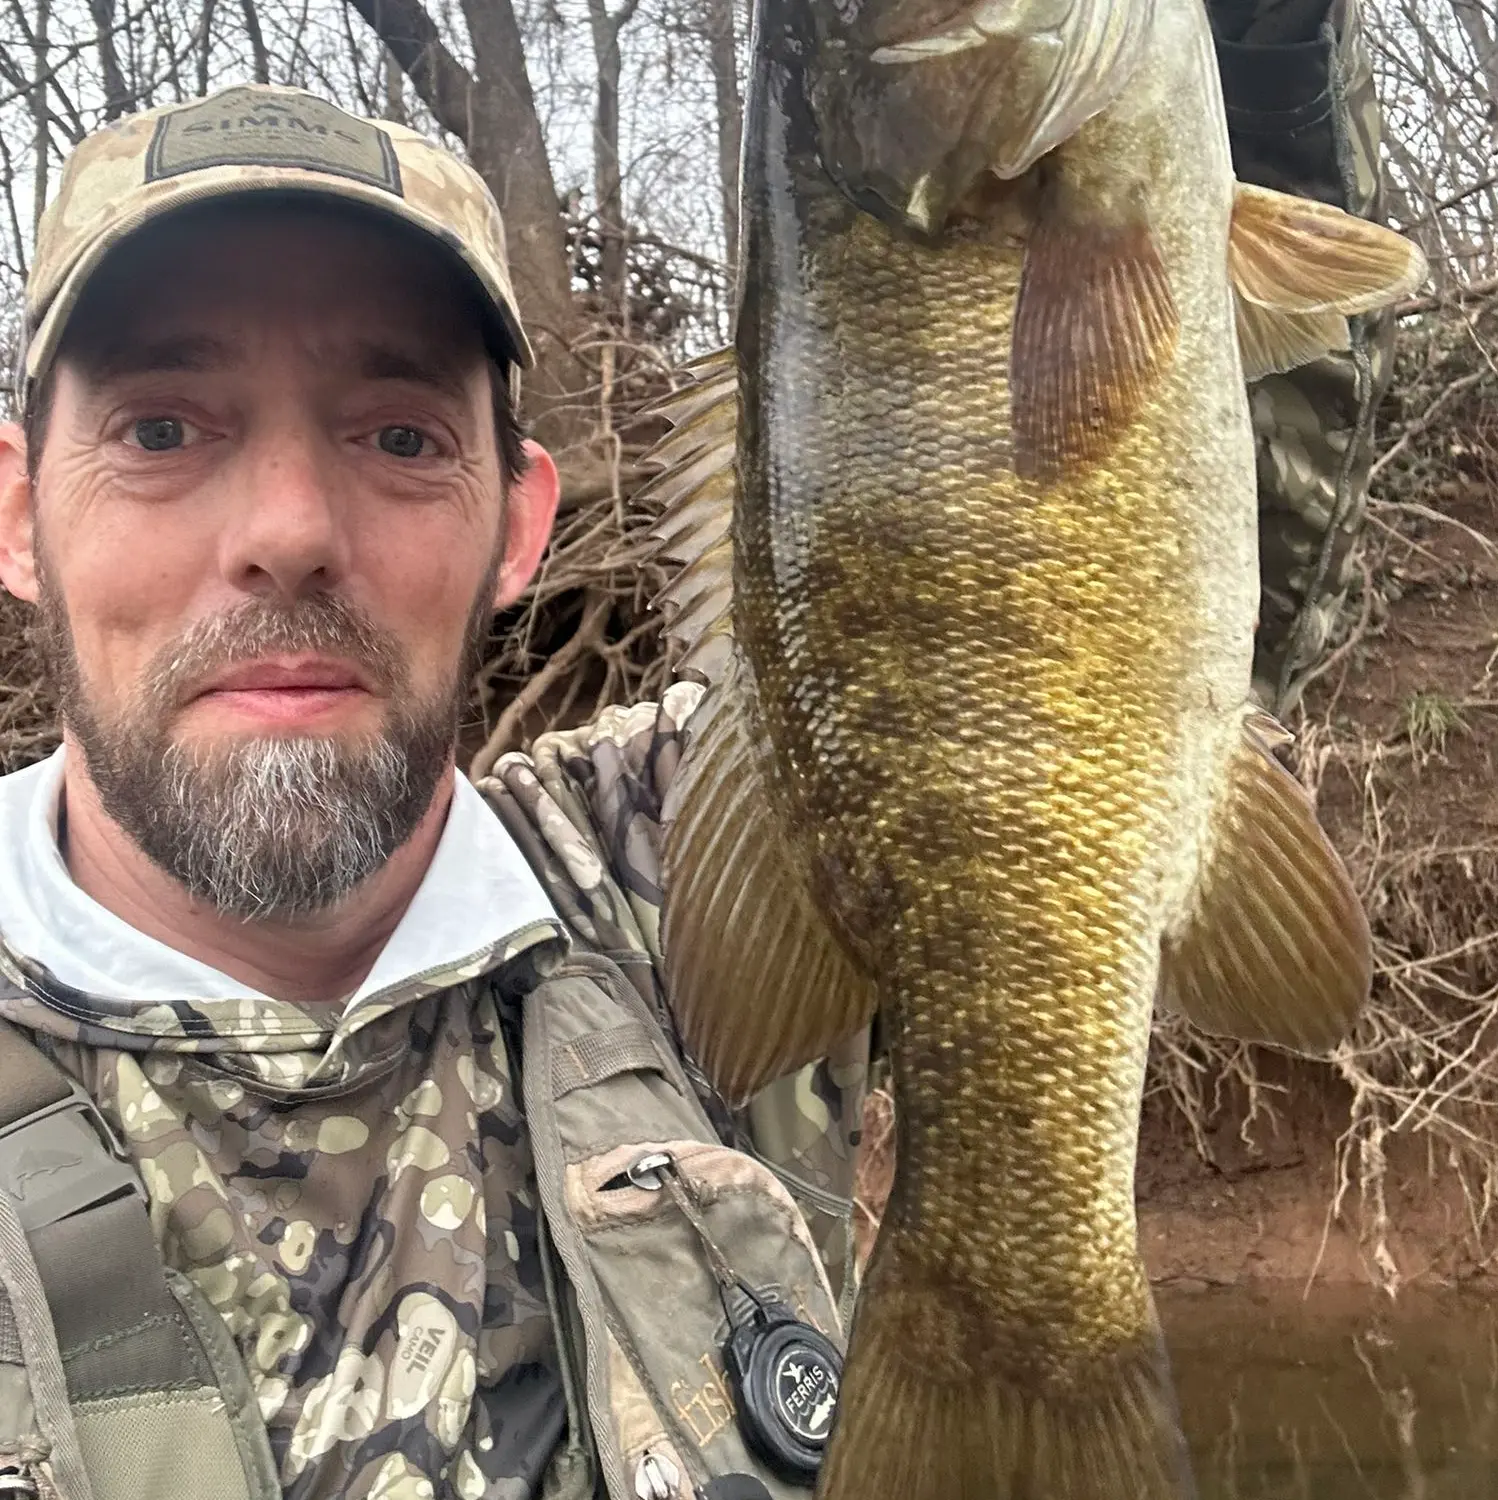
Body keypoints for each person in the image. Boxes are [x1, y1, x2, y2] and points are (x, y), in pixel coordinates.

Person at [0, 3, 1391, 1496]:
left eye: (398, 435)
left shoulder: (672, 890)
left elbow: (1167, 576)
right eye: (160, 430)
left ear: (519, 523)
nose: (285, 533)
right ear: (18, 513)